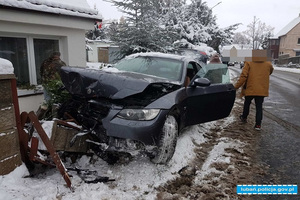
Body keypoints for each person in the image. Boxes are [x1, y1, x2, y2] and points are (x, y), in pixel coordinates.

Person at [234, 50, 273, 131]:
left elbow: (243, 76)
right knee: (259, 107)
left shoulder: (249, 63)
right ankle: (258, 125)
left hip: (250, 87)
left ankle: (244, 117)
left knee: (247, 103)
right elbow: (270, 71)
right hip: (261, 89)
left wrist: (236, 87)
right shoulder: (268, 64)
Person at [38, 52, 66, 119]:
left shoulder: (45, 62)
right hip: (56, 86)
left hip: (46, 85)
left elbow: (41, 72)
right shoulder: (60, 64)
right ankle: (53, 117)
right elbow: (64, 74)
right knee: (56, 103)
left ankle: (47, 116)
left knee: (48, 102)